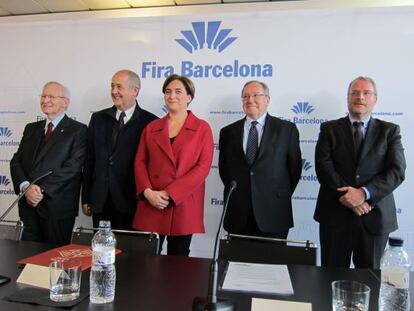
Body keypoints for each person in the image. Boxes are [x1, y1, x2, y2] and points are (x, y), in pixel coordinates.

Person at [314, 76, 406, 269]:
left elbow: (396, 171)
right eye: (355, 93)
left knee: (371, 280)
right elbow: (324, 167)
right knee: (330, 278)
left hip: (374, 217)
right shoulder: (329, 129)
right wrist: (350, 198)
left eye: (366, 93)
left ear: (375, 99)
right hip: (335, 217)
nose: (360, 97)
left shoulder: (389, 131)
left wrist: (363, 194)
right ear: (348, 98)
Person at [133, 74, 213, 256]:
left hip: (183, 203)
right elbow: (140, 162)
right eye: (168, 92)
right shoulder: (151, 127)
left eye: (178, 91)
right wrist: (147, 192)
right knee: (147, 260)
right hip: (152, 202)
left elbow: (203, 167)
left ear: (189, 97)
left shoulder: (202, 128)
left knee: (179, 261)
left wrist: (170, 193)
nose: (172, 96)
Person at [219, 80, 302, 239]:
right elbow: (225, 171)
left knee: (272, 263)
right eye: (246, 96)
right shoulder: (228, 132)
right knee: (237, 263)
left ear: (267, 100)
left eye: (256, 95)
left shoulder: (286, 129)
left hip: (274, 212)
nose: (250, 100)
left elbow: (294, 170)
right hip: (238, 214)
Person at [10, 81, 87, 244]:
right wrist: (26, 187)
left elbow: (73, 167)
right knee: (27, 257)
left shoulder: (78, 130)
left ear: (65, 102)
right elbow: (16, 161)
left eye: (51, 96)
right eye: (43, 96)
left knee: (55, 260)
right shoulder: (31, 128)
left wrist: (40, 190)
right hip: (28, 207)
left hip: (57, 207)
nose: (45, 100)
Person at [82, 69, 157, 230]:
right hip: (100, 201)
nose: (114, 92)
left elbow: (152, 165)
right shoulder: (98, 118)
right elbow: (89, 160)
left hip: (133, 201)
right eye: (112, 87)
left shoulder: (150, 122)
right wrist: (86, 197)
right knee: (101, 252)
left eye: (119, 87)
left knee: (130, 253)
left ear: (135, 90)